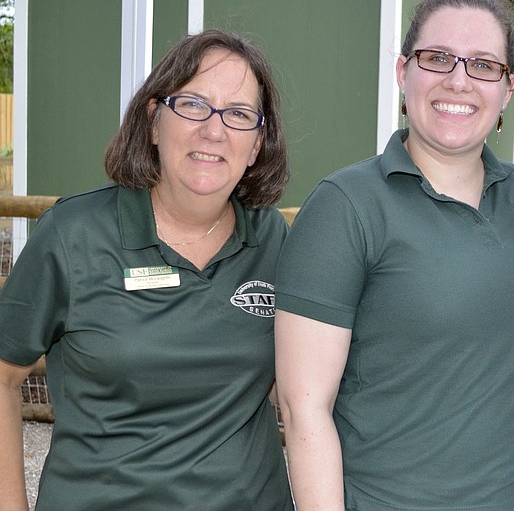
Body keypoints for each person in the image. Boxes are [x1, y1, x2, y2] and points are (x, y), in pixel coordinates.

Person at [275, 0, 514, 511]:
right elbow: (303, 409)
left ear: (508, 88)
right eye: (437, 57)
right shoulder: (346, 206)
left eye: (484, 64)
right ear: (403, 72)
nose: (459, 81)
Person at [0, 29, 294, 510]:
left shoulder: (273, 241)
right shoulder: (74, 236)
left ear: (258, 143)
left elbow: (305, 387)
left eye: (239, 114)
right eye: (194, 104)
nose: (214, 130)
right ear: (154, 120)